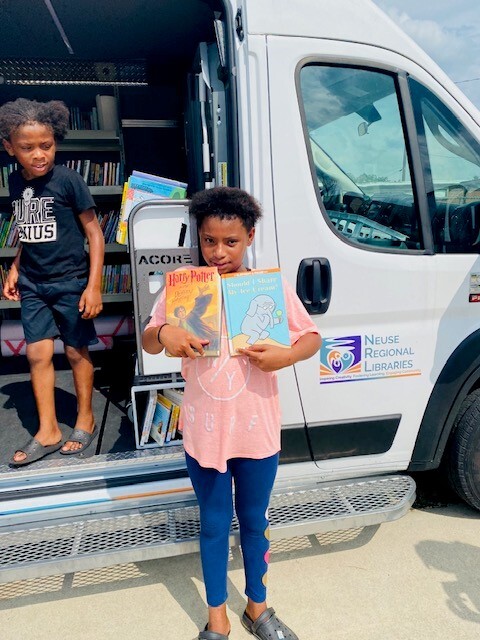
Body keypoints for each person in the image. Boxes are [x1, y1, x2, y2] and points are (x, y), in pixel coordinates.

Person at [142, 186, 321, 640]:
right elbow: (147, 338)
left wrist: (286, 356)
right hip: (206, 432)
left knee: (256, 521)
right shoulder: (183, 287)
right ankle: (217, 615)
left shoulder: (268, 287)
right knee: (215, 522)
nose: (218, 252)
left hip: (257, 430)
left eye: (231, 242)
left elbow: (312, 337)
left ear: (250, 237)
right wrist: (166, 333)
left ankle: (257, 607)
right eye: (208, 241)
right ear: (198, 239)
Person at [0, 98, 105, 466]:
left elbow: (94, 234)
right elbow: (28, 231)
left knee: (76, 351)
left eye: (46, 145)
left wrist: (93, 286)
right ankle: (48, 430)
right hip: (33, 283)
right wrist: (16, 266)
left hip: (71, 282)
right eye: (28, 148)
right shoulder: (15, 182)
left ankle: (85, 418)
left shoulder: (69, 180)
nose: (39, 154)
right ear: (9, 147)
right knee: (37, 353)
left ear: (55, 141)